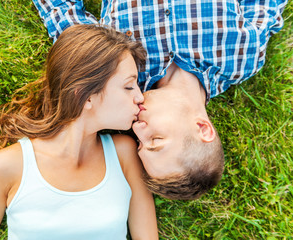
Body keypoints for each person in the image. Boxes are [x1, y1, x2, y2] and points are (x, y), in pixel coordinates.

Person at [32, 0, 287, 200]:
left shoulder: (117, 73)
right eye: (155, 140)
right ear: (202, 128)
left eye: (140, 144)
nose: (137, 129)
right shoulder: (242, 58)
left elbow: (62, 15)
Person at [0, 24, 158, 239]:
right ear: (85, 96)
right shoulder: (8, 165)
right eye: (129, 86)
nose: (140, 97)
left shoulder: (125, 154)